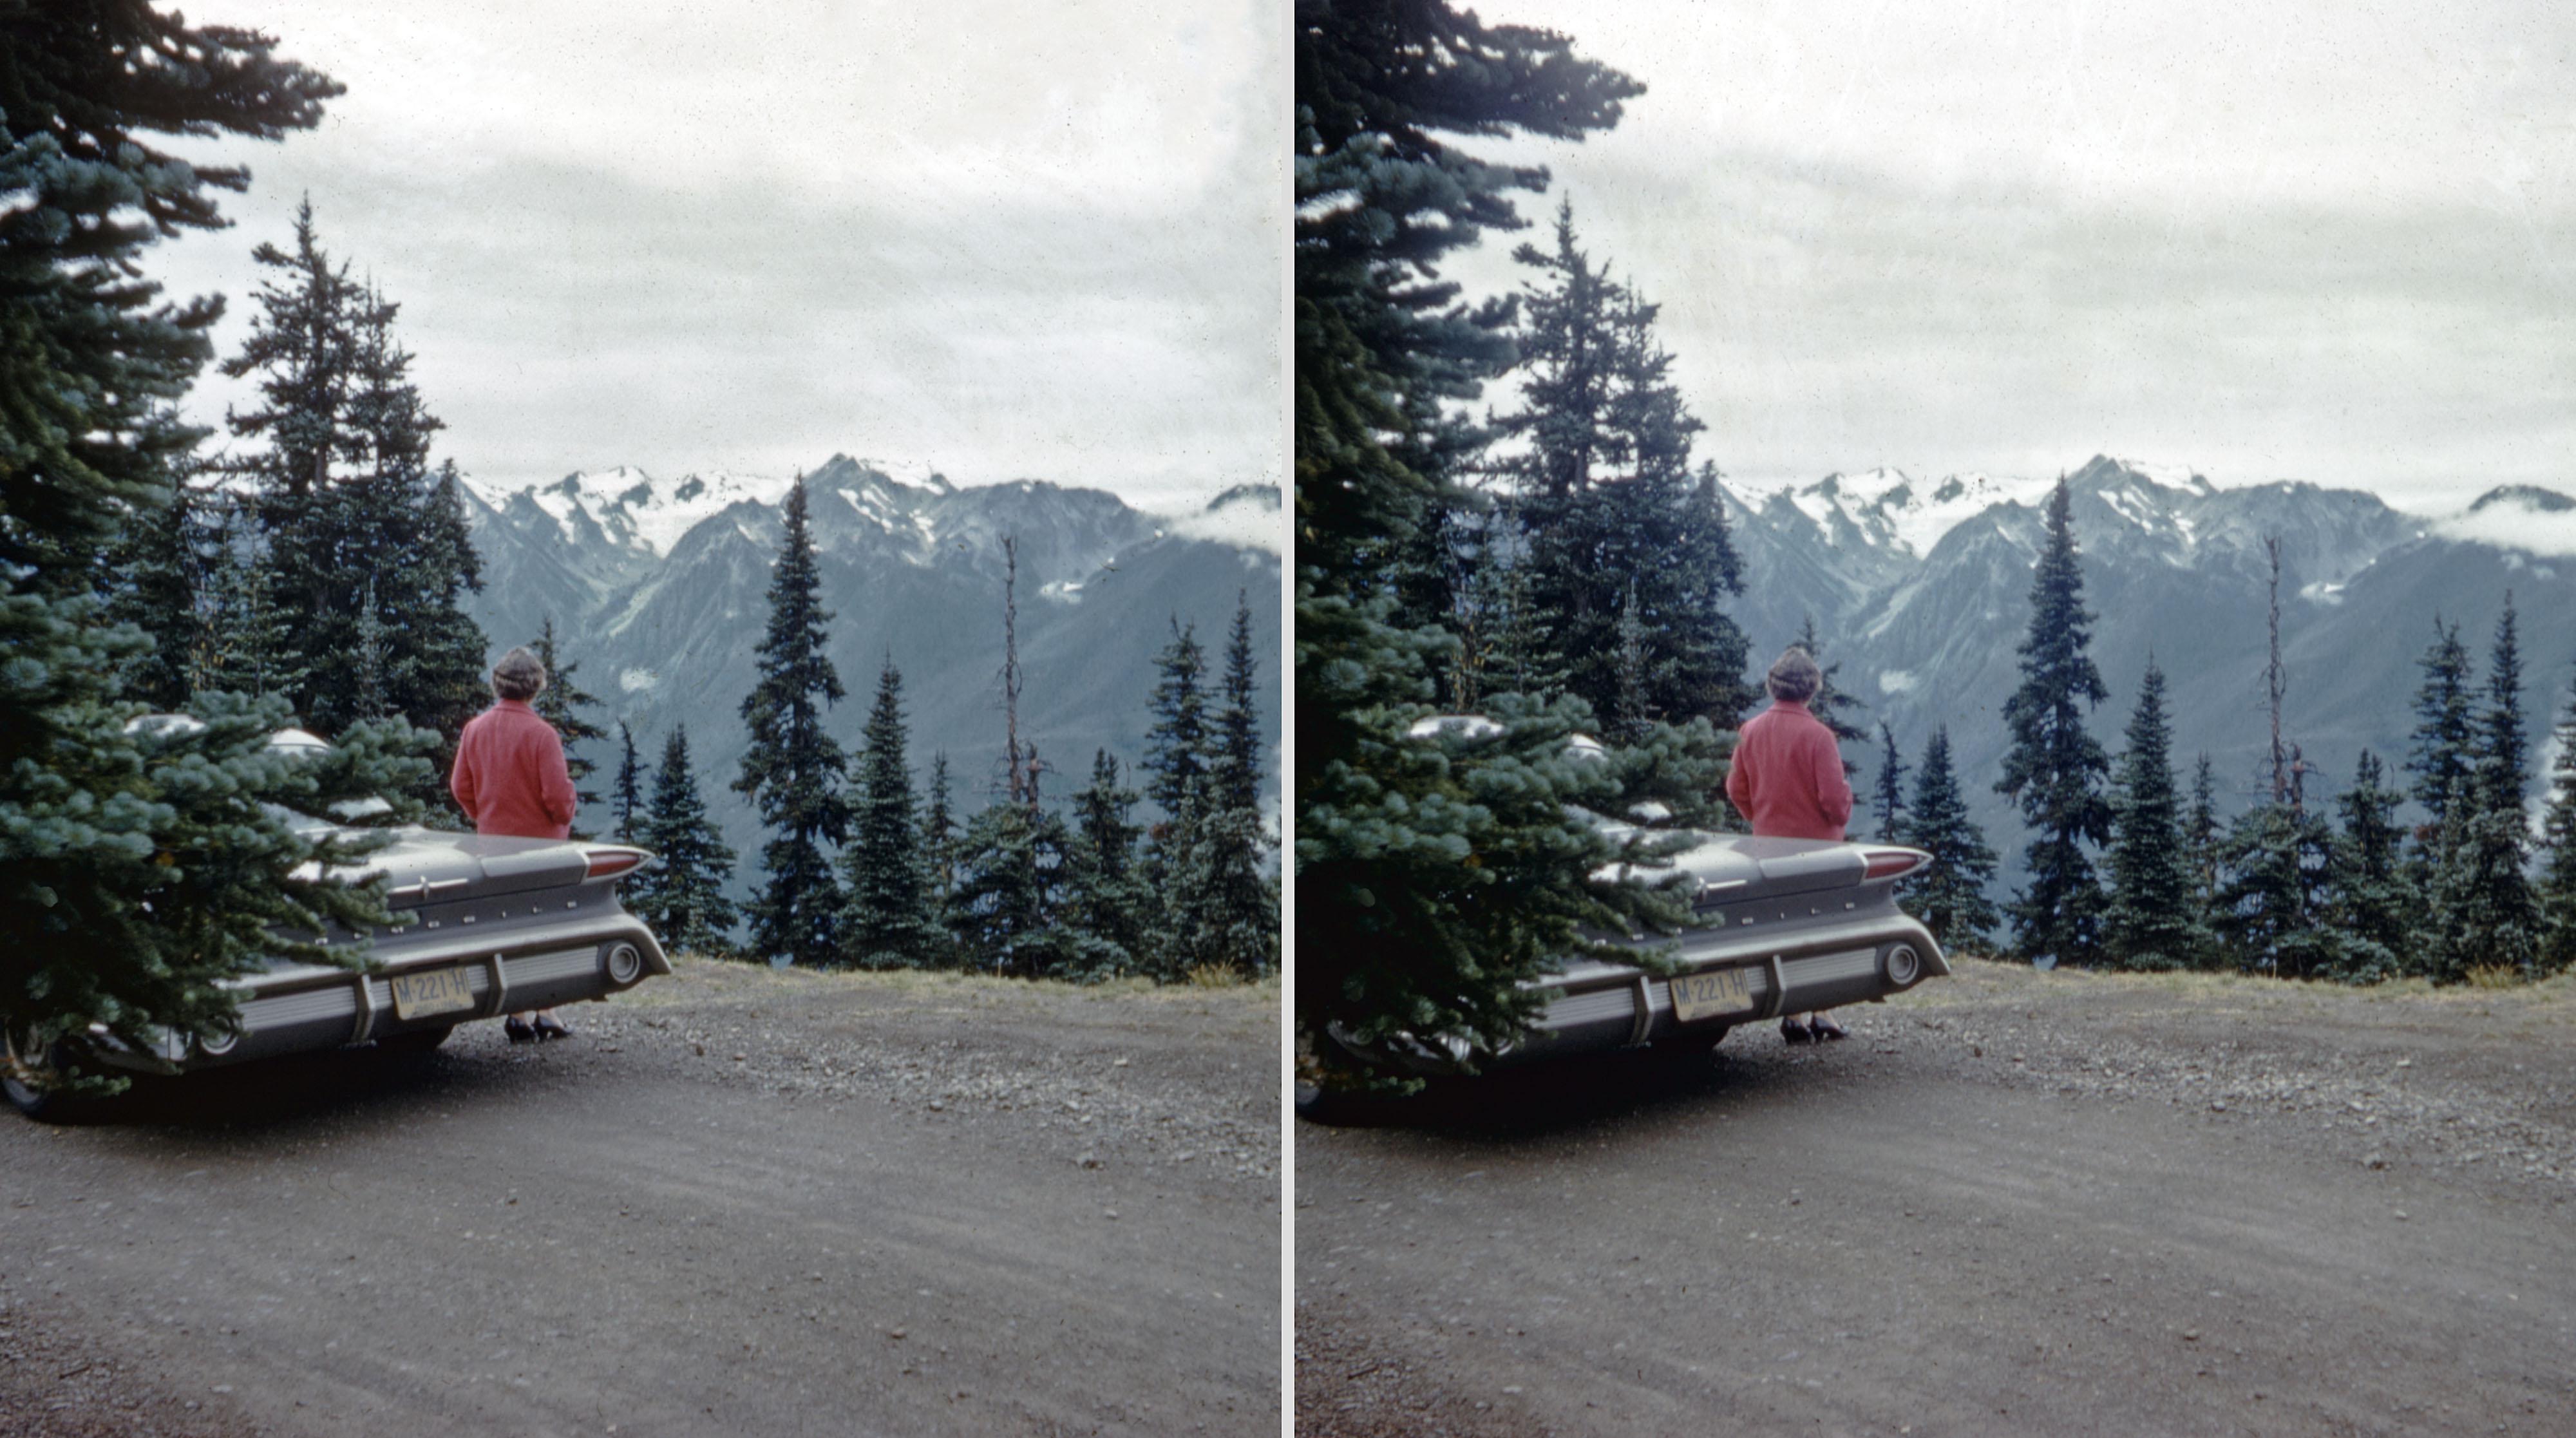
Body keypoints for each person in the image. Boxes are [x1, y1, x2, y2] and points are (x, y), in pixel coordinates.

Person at [1725, 645, 1855, 1044]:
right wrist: (1843, 805)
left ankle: (1794, 1015)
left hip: (1770, 850)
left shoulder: (1751, 731)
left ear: (1773, 687)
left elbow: (1735, 789)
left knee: (1785, 929)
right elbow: (1835, 804)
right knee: (1823, 930)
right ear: (1812, 690)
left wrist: (1761, 819)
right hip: (1818, 854)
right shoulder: (1819, 737)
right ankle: (1823, 1013)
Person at [450, 647, 581, 1042]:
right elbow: (559, 801)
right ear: (535, 688)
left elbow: (460, 787)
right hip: (542, 853)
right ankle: (548, 1012)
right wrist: (569, 805)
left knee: (508, 928)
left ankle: (517, 1015)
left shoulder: (475, 729)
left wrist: (485, 817)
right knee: (546, 929)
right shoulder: (543, 735)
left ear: (498, 684)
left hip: (494, 848)